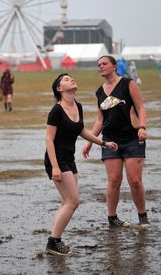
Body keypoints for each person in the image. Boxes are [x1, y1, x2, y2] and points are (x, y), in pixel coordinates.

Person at [44, 73, 118, 256]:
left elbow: (81, 131)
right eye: (66, 79)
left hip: (69, 159)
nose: (72, 80)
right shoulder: (56, 110)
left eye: (71, 78)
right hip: (57, 160)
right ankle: (54, 242)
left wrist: (103, 143)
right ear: (59, 89)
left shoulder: (78, 106)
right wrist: (54, 166)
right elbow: (48, 139)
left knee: (66, 202)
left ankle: (55, 237)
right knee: (73, 201)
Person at [82, 55, 150, 229]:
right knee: (114, 180)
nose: (101, 67)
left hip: (132, 138)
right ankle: (112, 218)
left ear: (114, 66)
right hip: (110, 140)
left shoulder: (128, 83)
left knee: (135, 180)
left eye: (104, 63)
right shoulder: (99, 92)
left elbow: (141, 107)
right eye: (98, 65)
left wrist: (142, 127)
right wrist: (91, 140)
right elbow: (100, 119)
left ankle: (142, 216)